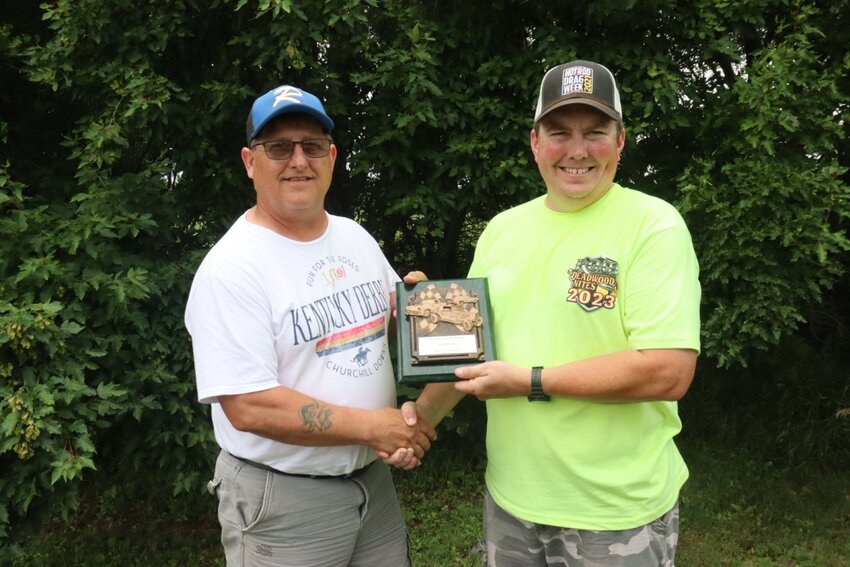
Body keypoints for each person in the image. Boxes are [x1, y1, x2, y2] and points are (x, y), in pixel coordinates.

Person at [409, 60, 701, 566]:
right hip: (511, 500)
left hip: (615, 511)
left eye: (595, 132)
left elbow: (668, 370)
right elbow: (469, 351)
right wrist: (418, 423)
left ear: (621, 141)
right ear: (535, 143)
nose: (577, 150)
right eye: (560, 132)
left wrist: (530, 380)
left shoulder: (654, 225)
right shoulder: (502, 229)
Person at [184, 84, 434, 567]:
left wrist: (421, 306)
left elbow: (389, 319)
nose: (298, 160)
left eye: (312, 145)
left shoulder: (354, 235)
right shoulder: (232, 268)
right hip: (284, 501)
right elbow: (249, 406)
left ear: (332, 156)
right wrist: (374, 427)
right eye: (278, 147)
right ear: (250, 161)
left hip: (372, 485)